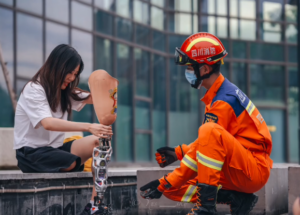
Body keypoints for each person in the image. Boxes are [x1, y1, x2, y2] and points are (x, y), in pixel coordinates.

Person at [140, 33, 273, 215]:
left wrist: (165, 181)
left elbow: (209, 139)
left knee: (206, 133)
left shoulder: (223, 101)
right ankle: (236, 199)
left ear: (204, 69)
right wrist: (178, 153)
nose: (187, 72)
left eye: (189, 67)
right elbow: (209, 146)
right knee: (172, 188)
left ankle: (205, 209)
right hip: (239, 166)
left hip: (252, 170)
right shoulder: (219, 94)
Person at [13, 44, 111, 215]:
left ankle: (95, 205)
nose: (72, 78)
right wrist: (89, 126)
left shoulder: (65, 92)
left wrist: (108, 89)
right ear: (58, 66)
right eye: (70, 73)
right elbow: (48, 123)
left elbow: (94, 98)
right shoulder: (34, 89)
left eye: (75, 74)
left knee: (100, 141)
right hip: (30, 154)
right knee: (71, 161)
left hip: (54, 150)